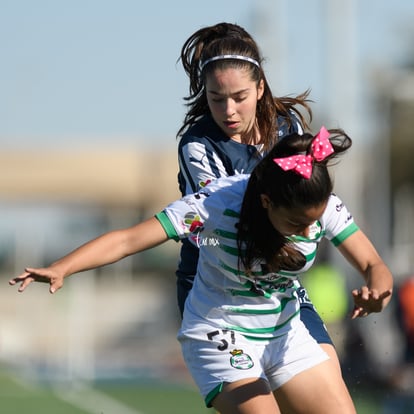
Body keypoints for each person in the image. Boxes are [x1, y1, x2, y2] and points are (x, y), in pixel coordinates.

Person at [10, 127, 393, 414]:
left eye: (315, 222)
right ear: (265, 202)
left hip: (284, 329)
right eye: (298, 224)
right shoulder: (215, 204)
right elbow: (129, 240)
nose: (310, 232)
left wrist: (377, 291)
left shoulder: (315, 200)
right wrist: (63, 267)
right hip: (219, 330)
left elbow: (374, 264)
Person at [175, 22, 343, 375]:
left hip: (277, 281)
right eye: (216, 99)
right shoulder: (197, 145)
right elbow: (230, 219)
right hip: (216, 288)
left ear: (260, 87)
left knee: (328, 377)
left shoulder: (287, 127)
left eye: (239, 97)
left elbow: (307, 194)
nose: (229, 111)